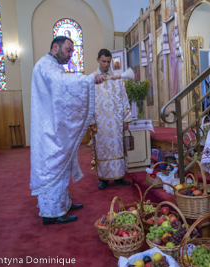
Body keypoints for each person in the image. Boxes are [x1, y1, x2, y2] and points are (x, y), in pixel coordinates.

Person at [30, 36, 105, 225]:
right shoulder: (45, 65)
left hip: (54, 124)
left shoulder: (52, 65)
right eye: (69, 50)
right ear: (56, 47)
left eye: (72, 51)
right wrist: (88, 80)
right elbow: (61, 83)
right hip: (49, 128)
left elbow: (62, 88)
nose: (71, 54)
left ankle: (62, 203)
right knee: (53, 166)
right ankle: (52, 213)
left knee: (60, 164)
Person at [92, 49, 133, 190]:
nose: (106, 64)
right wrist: (91, 121)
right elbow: (89, 102)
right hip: (100, 122)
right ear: (97, 60)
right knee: (102, 149)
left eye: (109, 62)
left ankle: (119, 176)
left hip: (116, 122)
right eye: (103, 61)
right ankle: (103, 178)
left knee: (118, 148)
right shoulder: (92, 78)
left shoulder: (117, 78)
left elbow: (124, 98)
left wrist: (126, 120)